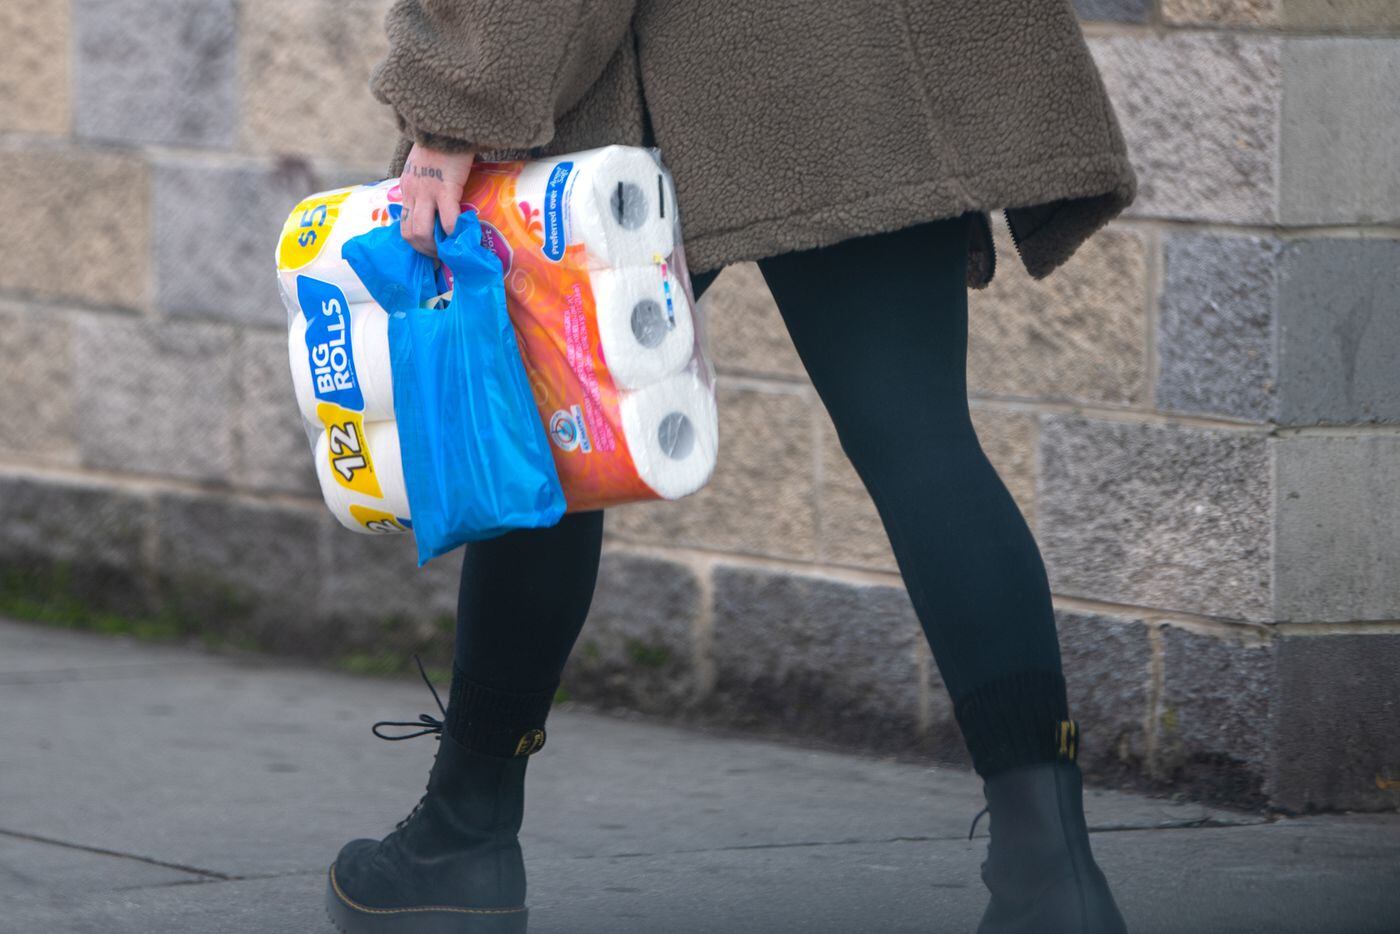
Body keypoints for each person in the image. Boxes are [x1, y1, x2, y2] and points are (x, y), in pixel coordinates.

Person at [324, 2, 1138, 932]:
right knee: (924, 445)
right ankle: (1050, 871)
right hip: (864, 71)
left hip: (675, 64)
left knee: (552, 428)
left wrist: (452, 119)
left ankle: (461, 840)